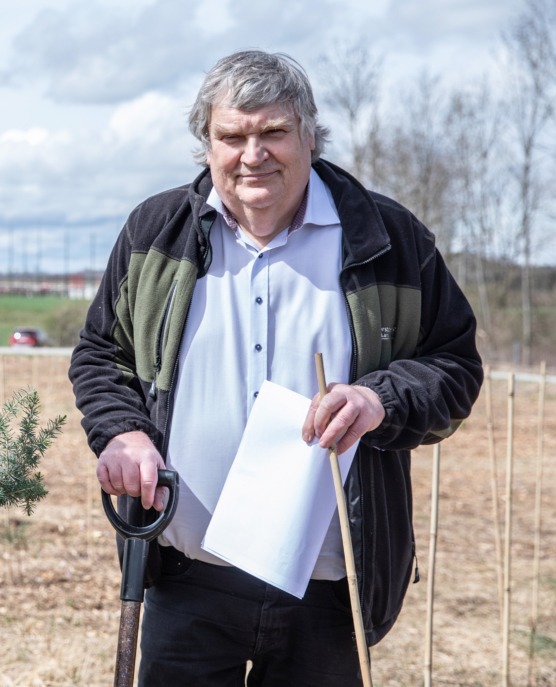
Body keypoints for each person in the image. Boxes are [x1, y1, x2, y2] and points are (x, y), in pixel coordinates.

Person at [69, 50, 483, 686]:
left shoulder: (388, 239)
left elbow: (453, 365)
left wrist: (382, 401)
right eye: (231, 136)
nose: (252, 154)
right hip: (187, 579)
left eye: (273, 133)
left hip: (327, 588)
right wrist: (122, 432)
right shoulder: (157, 233)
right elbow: (101, 354)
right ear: (206, 145)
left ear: (310, 137)